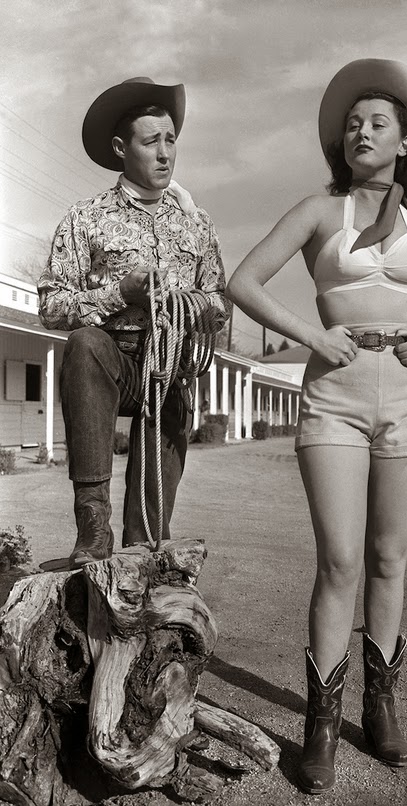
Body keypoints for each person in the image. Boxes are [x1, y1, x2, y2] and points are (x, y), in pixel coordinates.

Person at [227, 58, 407, 793]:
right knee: (339, 561)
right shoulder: (319, 210)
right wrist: (311, 338)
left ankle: (380, 708)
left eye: (377, 123)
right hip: (334, 397)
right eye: (351, 124)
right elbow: (242, 281)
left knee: (388, 559)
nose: (360, 132)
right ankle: (318, 726)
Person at [38, 77, 230, 569]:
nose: (166, 154)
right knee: (84, 345)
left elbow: (218, 299)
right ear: (122, 149)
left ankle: (143, 548)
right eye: (152, 142)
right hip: (112, 361)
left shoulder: (197, 223)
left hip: (169, 368)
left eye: (171, 140)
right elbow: (52, 305)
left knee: (149, 539)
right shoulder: (86, 218)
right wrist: (119, 293)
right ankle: (93, 528)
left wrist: (198, 308)